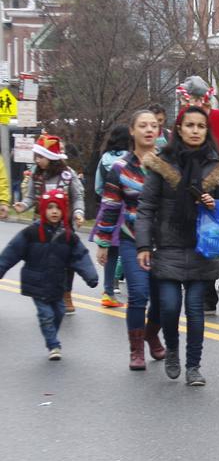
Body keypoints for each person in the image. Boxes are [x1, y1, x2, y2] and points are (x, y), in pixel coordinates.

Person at [136, 106, 219, 386]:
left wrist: (216, 204)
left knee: (194, 310)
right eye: (189, 125)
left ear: (207, 131)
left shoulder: (218, 163)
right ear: (179, 129)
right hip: (168, 246)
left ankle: (194, 366)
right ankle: (172, 352)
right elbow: (146, 207)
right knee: (168, 307)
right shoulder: (161, 162)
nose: (195, 131)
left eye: (200, 126)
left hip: (203, 246)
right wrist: (144, 245)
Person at [93, 109, 166, 370]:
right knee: (138, 295)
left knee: (164, 300)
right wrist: (103, 243)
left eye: (153, 125)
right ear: (132, 132)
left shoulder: (167, 164)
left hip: (164, 243)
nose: (149, 129)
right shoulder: (120, 169)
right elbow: (110, 206)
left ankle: (151, 334)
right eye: (143, 126)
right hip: (131, 240)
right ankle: (136, 350)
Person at [0, 191, 98, 360]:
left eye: (58, 208)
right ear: (43, 210)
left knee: (59, 311)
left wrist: (91, 276)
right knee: (47, 315)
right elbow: (12, 251)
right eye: (50, 207)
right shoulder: (31, 233)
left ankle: (51, 336)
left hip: (58, 283)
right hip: (36, 283)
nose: (54, 211)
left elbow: (80, 256)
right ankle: (53, 345)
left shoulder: (68, 236)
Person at [175, 75, 219, 315]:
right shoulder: (183, 122)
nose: (197, 107)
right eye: (191, 101)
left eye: (201, 101)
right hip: (192, 191)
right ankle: (207, 296)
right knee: (202, 246)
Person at [14, 135, 86, 314]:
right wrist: (23, 205)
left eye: (40, 156)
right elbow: (31, 197)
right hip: (42, 225)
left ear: (51, 157)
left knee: (67, 262)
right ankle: (47, 292)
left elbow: (78, 197)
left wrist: (78, 213)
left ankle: (66, 294)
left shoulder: (68, 175)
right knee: (45, 260)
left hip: (65, 225)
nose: (37, 160)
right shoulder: (36, 174)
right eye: (36, 157)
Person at [94, 124, 130, 308]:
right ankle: (136, 292)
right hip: (129, 208)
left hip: (109, 206)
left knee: (111, 251)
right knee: (131, 250)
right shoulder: (131, 159)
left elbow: (98, 187)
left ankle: (108, 291)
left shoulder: (104, 159)